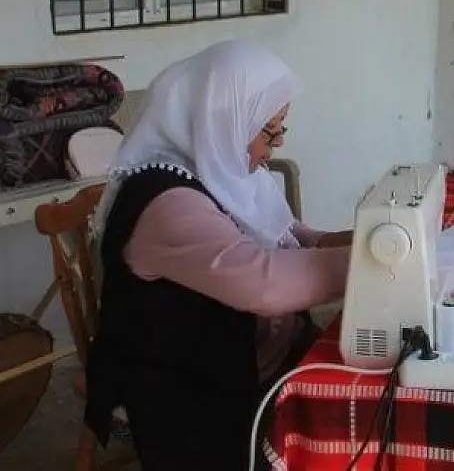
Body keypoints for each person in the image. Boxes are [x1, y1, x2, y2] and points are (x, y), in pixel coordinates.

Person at [84, 40, 352, 470]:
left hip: (250, 355)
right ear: (225, 122)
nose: (277, 144)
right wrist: (373, 264)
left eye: (281, 127)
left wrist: (364, 236)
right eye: (269, 130)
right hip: (185, 389)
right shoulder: (164, 202)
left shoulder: (223, 171)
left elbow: (294, 237)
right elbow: (263, 283)